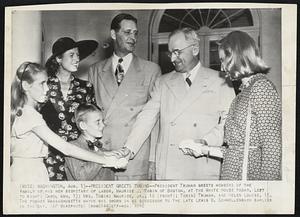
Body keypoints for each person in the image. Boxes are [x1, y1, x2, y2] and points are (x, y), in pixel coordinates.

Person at [118, 27, 235, 180]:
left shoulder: (220, 80)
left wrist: (206, 141)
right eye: (170, 53)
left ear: (194, 49)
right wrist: (129, 148)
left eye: (177, 52)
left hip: (203, 164)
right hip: (170, 166)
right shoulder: (163, 82)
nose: (173, 59)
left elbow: (230, 123)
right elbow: (146, 118)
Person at [180, 31, 282, 180]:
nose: (221, 68)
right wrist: (203, 149)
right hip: (232, 176)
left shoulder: (261, 87)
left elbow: (272, 147)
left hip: (249, 181)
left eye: (223, 60)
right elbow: (235, 150)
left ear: (237, 56)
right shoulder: (241, 94)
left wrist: (265, 190)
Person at [10, 62, 127, 182]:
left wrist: (106, 154)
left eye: (47, 83)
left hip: (32, 170)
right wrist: (106, 160)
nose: (47, 88)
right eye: (42, 84)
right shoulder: (30, 115)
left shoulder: (26, 111)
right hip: (28, 173)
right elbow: (67, 149)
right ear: (25, 86)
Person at [88, 13, 161, 180]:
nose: (133, 38)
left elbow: (155, 119)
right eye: (127, 32)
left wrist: (152, 160)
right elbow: (89, 114)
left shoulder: (151, 70)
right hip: (103, 153)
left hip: (135, 155)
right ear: (114, 34)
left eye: (135, 33)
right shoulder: (95, 70)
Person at [40, 37, 99, 181]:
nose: (77, 59)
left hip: (79, 154)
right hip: (50, 154)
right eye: (71, 55)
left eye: (78, 55)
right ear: (59, 59)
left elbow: (92, 121)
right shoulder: (43, 86)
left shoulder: (86, 87)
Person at [64, 104, 114, 180]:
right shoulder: (73, 148)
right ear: (83, 125)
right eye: (98, 122)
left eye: (102, 121)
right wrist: (102, 156)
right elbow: (81, 177)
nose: (103, 125)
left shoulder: (103, 149)